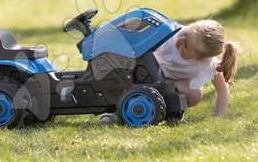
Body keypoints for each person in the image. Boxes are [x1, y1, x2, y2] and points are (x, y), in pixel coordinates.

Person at [98, 19, 239, 124]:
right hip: (143, 76)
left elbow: (222, 90)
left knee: (195, 93)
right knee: (123, 79)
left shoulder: (208, 65)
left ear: (200, 59)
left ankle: (171, 112)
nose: (180, 39)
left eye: (187, 46)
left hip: (168, 86)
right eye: (186, 32)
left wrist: (219, 118)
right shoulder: (168, 34)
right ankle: (112, 110)